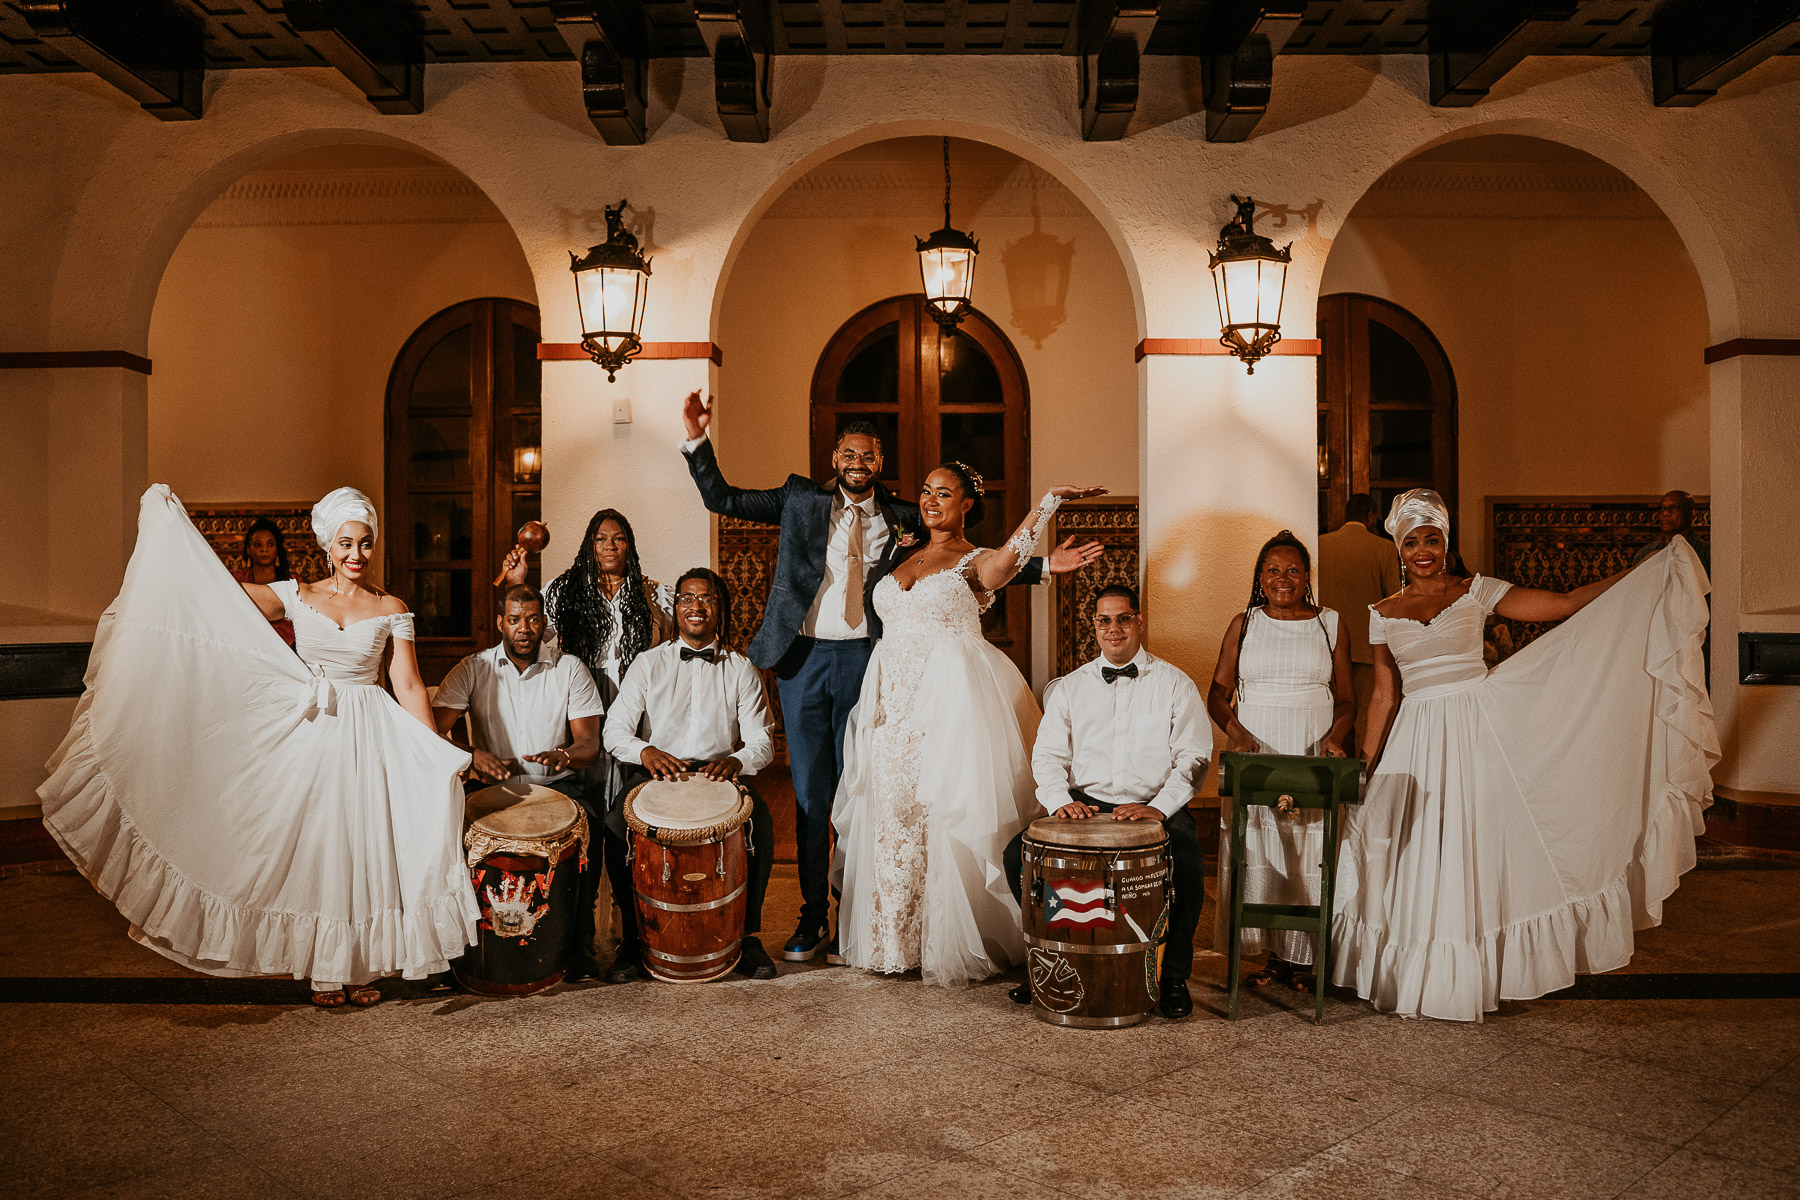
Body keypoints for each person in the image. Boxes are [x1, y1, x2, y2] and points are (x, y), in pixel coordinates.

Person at [678, 390, 1103, 963]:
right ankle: (812, 918)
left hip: (869, 663)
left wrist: (1045, 563)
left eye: (871, 456)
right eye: (850, 453)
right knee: (812, 797)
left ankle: (865, 909)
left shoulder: (904, 517)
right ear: (835, 457)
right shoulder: (800, 499)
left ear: (881, 464)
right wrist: (698, 438)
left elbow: (969, 564)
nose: (859, 463)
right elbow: (722, 497)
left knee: (872, 793)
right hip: (804, 659)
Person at [40, 486, 477, 1009]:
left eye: (364, 544)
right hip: (314, 729)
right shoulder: (299, 594)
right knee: (319, 845)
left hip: (369, 733)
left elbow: (405, 683)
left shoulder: (391, 607)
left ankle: (360, 965)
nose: (355, 555)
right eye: (345, 544)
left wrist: (431, 751)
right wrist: (176, 537)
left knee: (364, 844)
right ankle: (324, 970)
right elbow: (222, 598)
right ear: (327, 546)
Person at [1332, 489, 1718, 1022]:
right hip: (1416, 740)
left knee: (1474, 843)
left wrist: (1634, 576)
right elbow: (1383, 694)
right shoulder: (1382, 612)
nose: (1424, 551)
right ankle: (1420, 974)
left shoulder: (1476, 591)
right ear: (1399, 549)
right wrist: (1366, 764)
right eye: (1413, 542)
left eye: (1433, 540)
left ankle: (1476, 971)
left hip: (1476, 731)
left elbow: (1560, 605)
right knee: (1418, 846)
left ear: (1446, 544)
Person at [831, 464, 1108, 986]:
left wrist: (1047, 502)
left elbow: (1007, 564)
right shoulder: (900, 552)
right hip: (892, 707)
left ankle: (949, 939)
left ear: (966, 506)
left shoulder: (975, 560)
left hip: (951, 708)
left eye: (945, 493)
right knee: (893, 818)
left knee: (946, 815)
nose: (932, 499)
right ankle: (894, 941)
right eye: (927, 490)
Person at [1003, 584, 1209, 1018]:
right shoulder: (1071, 688)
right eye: (1104, 620)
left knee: (1188, 865)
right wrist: (1060, 800)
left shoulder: (1175, 684)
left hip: (1154, 803)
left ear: (1139, 621)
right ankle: (1052, 960)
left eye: (1123, 618)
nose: (1114, 628)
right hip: (1084, 803)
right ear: (1093, 626)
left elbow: (1194, 757)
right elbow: (1048, 755)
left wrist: (1160, 808)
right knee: (1015, 857)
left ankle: (1171, 976)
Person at [601, 568, 778, 983]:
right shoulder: (648, 664)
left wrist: (737, 761)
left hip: (720, 774)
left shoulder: (741, 668)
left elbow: (763, 742)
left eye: (707, 599)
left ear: (720, 608)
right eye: (687, 598)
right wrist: (644, 751)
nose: (696, 606)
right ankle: (632, 938)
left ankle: (748, 935)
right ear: (675, 607)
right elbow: (614, 731)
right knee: (613, 826)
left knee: (763, 825)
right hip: (658, 773)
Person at [432, 583, 607, 979]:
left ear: (543, 621)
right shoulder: (473, 668)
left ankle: (580, 947)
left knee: (592, 828)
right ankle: (453, 949)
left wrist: (562, 755)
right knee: (443, 835)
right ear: (500, 623)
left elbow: (589, 745)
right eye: (514, 620)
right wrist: (471, 754)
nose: (523, 628)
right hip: (490, 789)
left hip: (556, 787)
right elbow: (433, 730)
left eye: (531, 619)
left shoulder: (569, 668)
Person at [1207, 532, 1354, 994]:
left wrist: (1335, 737)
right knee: (1263, 851)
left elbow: (1348, 698)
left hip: (1311, 751)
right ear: (1260, 577)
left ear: (1307, 575)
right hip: (1258, 753)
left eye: (1292, 569)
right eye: (1272, 570)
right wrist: (1237, 734)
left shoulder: (1331, 623)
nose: (1282, 579)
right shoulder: (1244, 623)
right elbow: (1216, 693)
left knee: (1312, 852)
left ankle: (1310, 960)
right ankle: (1273, 956)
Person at [505, 509, 673, 810]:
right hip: (581, 690)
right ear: (589, 545)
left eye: (618, 539)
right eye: (601, 539)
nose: (610, 545)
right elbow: (526, 638)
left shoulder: (654, 594)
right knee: (585, 776)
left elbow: (673, 650)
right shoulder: (563, 592)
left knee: (632, 778)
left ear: (629, 546)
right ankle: (590, 850)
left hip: (636, 691)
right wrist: (516, 582)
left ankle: (627, 850)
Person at [1316, 493, 1398, 737]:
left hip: (1325, 643)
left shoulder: (1320, 543)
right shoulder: (1384, 548)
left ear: (1345, 514)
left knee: (1328, 715)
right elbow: (1394, 599)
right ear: (1371, 516)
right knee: (1365, 717)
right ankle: (1362, 771)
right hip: (1367, 646)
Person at [232, 516, 296, 648]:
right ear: (248, 549)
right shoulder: (237, 579)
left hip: (286, 647)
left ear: (277, 548)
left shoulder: (292, 582)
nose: (264, 549)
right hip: (246, 644)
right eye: (257, 544)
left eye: (270, 544)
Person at [1633, 490, 1710, 573]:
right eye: (1662, 508)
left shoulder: (1706, 554)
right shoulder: (1645, 554)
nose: (1666, 513)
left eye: (1675, 507)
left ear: (1692, 514)